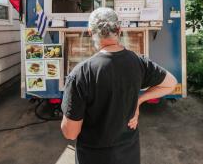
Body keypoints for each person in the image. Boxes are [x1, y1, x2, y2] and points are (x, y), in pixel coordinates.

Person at [61, 8, 177, 164]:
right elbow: (171, 83)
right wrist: (140, 100)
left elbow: (70, 133)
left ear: (90, 32)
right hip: (129, 155)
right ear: (119, 30)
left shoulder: (80, 74)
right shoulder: (138, 62)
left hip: (93, 157)